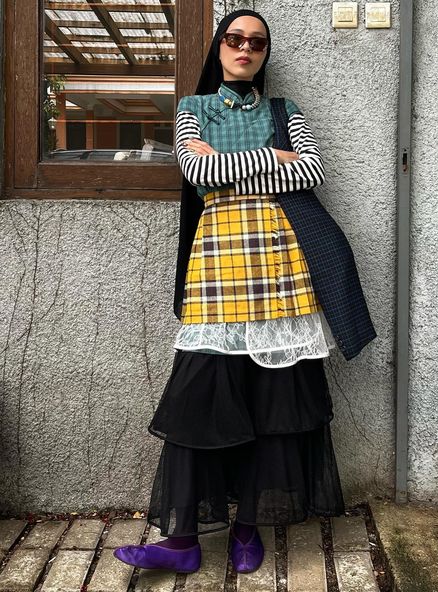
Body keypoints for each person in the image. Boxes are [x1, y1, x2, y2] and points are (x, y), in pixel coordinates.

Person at [114, 8, 375, 575]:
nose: (245, 48)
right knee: (197, 398)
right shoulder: (194, 109)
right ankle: (181, 541)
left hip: (282, 270)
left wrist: (239, 164)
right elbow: (197, 172)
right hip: (218, 269)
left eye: (256, 42)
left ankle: (248, 526)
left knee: (272, 402)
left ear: (264, 54)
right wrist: (268, 160)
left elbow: (309, 173)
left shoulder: (286, 111)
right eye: (234, 39)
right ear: (220, 47)